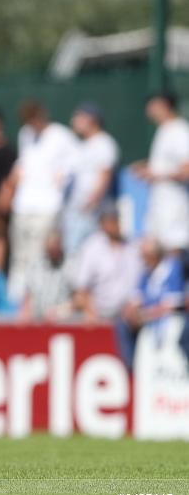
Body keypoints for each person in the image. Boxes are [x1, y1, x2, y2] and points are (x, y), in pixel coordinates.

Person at [0, 100, 79, 302]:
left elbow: (73, 165)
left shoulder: (61, 136)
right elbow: (22, 164)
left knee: (37, 254)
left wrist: (62, 180)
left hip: (47, 206)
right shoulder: (25, 135)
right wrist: (10, 186)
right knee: (20, 254)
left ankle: (34, 297)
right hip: (24, 205)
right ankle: (15, 298)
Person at [116, 237, 185, 371]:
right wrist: (130, 312)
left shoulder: (172, 269)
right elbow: (136, 298)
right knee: (122, 324)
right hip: (148, 319)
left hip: (168, 320)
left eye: (145, 256)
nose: (143, 260)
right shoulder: (146, 273)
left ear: (154, 256)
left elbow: (173, 303)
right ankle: (131, 368)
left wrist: (147, 314)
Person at [133, 92, 189, 254]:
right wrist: (146, 167)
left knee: (174, 249)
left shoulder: (178, 130)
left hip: (175, 204)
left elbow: (186, 169)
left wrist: (156, 175)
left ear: (164, 105)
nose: (148, 110)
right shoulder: (165, 130)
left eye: (153, 105)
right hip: (159, 204)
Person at [71, 203, 143, 324]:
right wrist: (93, 315)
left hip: (128, 316)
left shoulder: (132, 247)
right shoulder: (92, 248)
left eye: (116, 220)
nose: (115, 224)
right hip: (101, 316)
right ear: (102, 224)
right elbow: (82, 289)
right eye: (111, 220)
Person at [63, 102, 118, 255]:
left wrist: (92, 203)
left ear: (92, 119)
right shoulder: (82, 146)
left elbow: (105, 175)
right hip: (76, 210)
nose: (74, 122)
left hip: (92, 213)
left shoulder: (104, 143)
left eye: (78, 117)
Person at [19, 232, 72, 323]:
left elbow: (78, 297)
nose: (53, 250)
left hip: (62, 323)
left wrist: (60, 310)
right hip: (37, 321)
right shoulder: (35, 265)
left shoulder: (70, 265)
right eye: (50, 247)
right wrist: (25, 313)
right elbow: (28, 293)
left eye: (55, 245)